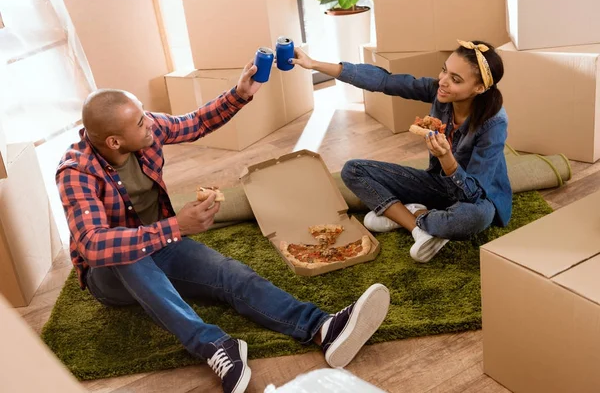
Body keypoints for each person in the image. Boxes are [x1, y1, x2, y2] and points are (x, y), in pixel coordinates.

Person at [56, 61, 391, 393]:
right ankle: (214, 346)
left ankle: (321, 327)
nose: (150, 124)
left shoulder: (145, 130)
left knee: (230, 274)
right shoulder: (76, 171)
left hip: (161, 243)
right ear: (114, 142)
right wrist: (176, 226)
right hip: (111, 276)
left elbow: (195, 122)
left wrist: (239, 94)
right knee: (125, 255)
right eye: (141, 122)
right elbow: (94, 244)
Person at [291, 40, 511, 263]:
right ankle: (419, 228)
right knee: (353, 170)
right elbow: (386, 81)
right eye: (445, 70)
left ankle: (407, 215)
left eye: (455, 79)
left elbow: (473, 193)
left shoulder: (494, 124)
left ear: (479, 88)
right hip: (437, 185)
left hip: (474, 199)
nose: (442, 82)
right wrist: (315, 64)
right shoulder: (439, 91)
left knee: (475, 218)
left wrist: (447, 159)